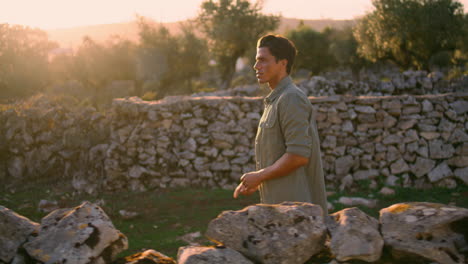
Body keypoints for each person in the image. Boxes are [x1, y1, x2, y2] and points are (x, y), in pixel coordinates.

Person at [233, 34, 327, 214]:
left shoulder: (291, 98)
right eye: (256, 60)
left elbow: (298, 155)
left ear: (282, 63)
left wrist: (259, 176)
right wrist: (259, 180)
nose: (256, 66)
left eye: (262, 60)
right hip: (282, 212)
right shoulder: (276, 100)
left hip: (299, 214)